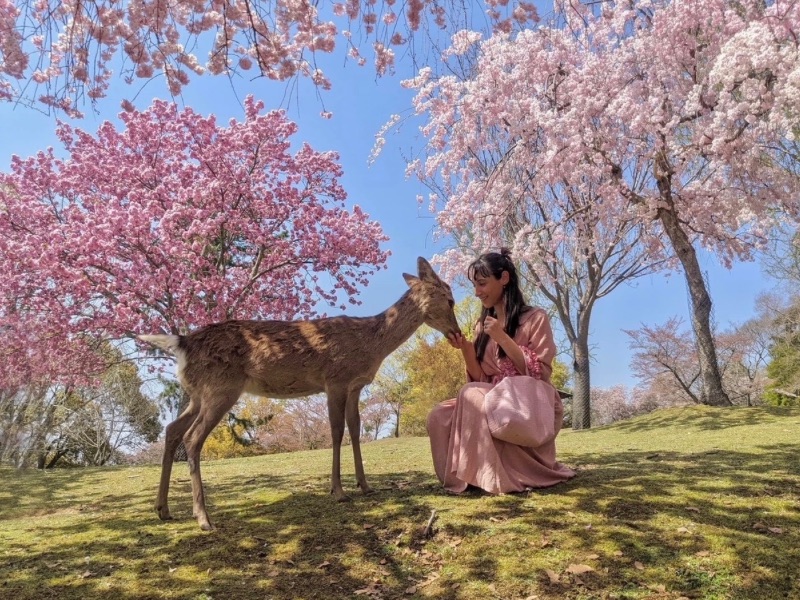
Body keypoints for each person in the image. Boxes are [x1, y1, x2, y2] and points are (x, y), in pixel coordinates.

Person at [427, 248, 575, 494]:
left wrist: (502, 337)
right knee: (439, 415)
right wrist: (465, 347)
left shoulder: (535, 318)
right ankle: (465, 476)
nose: (477, 292)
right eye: (474, 285)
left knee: (471, 394)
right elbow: (480, 378)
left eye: (482, 284)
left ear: (504, 279)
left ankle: (493, 476)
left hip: (528, 400)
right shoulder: (481, 325)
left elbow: (541, 372)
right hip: (493, 395)